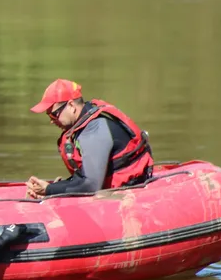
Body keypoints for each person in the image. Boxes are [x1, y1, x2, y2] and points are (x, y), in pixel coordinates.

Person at [25, 79, 153, 199]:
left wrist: (49, 190)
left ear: (71, 105)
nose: (52, 121)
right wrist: (52, 188)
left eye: (54, 114)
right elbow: (83, 178)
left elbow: (91, 186)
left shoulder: (94, 130)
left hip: (131, 190)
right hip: (110, 187)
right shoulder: (83, 124)